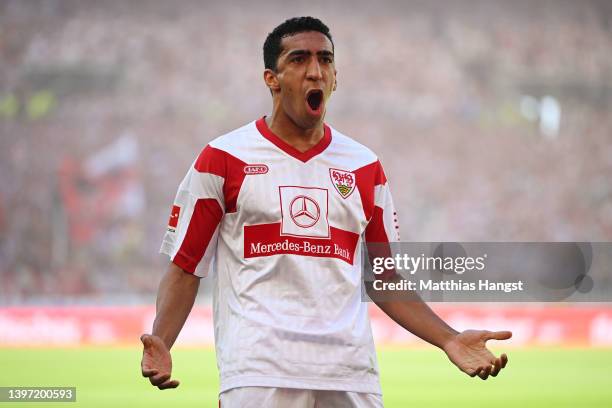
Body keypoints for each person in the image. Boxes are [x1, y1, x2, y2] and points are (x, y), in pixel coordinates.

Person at [140, 16, 511, 407]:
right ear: (272, 78)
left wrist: (449, 338)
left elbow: (384, 279)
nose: (315, 71)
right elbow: (184, 268)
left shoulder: (365, 167)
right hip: (259, 373)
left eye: (326, 60)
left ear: (336, 77)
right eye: (299, 59)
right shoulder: (223, 158)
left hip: (350, 375)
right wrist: (162, 339)